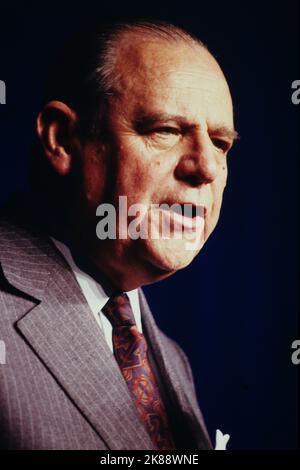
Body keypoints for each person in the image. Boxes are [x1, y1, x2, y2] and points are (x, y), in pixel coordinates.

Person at [0, 19, 238, 450]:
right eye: (165, 130)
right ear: (63, 139)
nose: (205, 167)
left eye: (221, 143)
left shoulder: (169, 358)